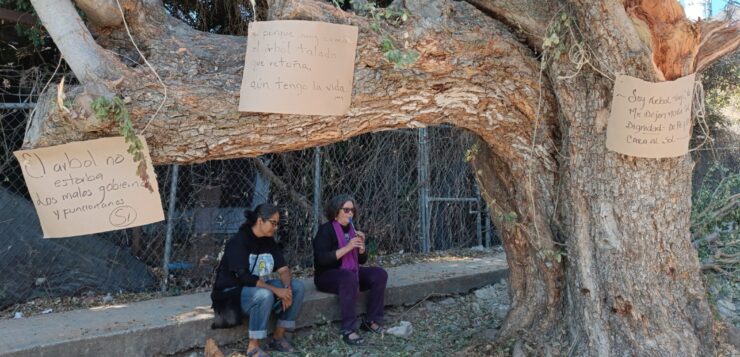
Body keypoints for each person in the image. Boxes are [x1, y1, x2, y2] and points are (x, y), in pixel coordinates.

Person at [211, 203, 304, 357]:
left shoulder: (268, 241)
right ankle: (253, 347)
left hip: (253, 288)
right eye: (273, 223)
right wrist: (276, 290)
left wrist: (287, 289)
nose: (275, 227)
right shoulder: (239, 241)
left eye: (277, 224)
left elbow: (284, 269)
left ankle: (278, 337)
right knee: (264, 294)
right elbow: (244, 277)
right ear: (260, 221)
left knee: (298, 287)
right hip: (230, 293)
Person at [312, 194, 388, 345]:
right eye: (346, 210)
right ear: (335, 212)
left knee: (379, 274)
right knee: (348, 278)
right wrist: (347, 248)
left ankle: (371, 320)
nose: (350, 213)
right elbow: (321, 259)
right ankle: (348, 329)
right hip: (326, 275)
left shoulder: (352, 231)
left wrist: (361, 248)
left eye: (352, 210)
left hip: (351, 273)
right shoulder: (325, 230)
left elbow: (361, 261)